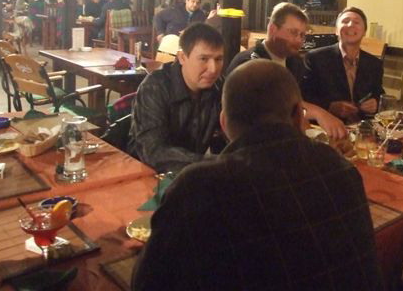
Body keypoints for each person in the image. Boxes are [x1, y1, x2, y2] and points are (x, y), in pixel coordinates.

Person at [132, 60, 383, 291]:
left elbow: (146, 283)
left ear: (224, 123)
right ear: (299, 116)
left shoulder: (198, 186)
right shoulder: (341, 168)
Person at [226, 2, 347, 139]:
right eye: (293, 33)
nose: (299, 40)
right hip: (251, 140)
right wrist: (318, 113)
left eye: (302, 35)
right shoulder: (249, 62)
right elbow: (270, 106)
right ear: (272, 29)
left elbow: (298, 103)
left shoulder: (295, 62)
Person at [127, 23, 225, 174]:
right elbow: (153, 152)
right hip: (143, 175)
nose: (213, 69)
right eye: (204, 59)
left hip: (188, 175)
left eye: (218, 59)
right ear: (182, 57)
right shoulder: (155, 87)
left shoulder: (219, 87)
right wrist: (215, 163)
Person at [302, 6, 384, 122]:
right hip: (328, 126)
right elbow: (304, 96)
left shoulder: (374, 64)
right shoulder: (316, 58)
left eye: (356, 22)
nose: (350, 25)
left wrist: (375, 102)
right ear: (336, 30)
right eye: (345, 21)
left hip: (363, 127)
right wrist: (330, 106)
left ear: (364, 32)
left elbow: (378, 93)